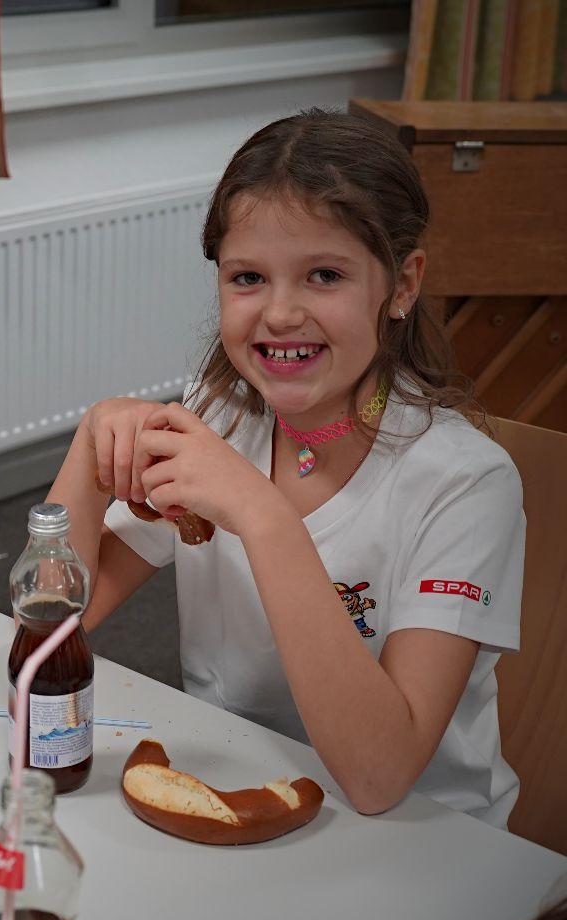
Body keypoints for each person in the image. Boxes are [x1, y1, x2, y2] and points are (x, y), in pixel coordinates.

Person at [48, 109, 524, 826]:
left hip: (418, 836)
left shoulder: (466, 483)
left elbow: (379, 777)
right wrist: (90, 445)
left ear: (402, 285)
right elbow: (54, 627)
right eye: (247, 277)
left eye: (324, 275)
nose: (279, 313)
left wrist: (262, 513)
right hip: (240, 791)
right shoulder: (216, 414)